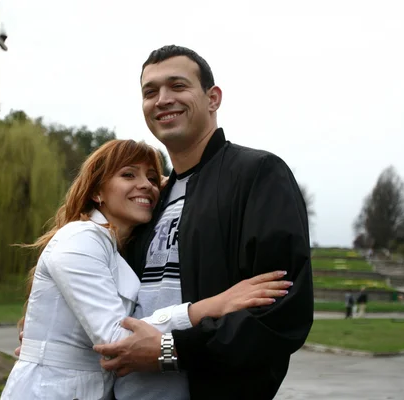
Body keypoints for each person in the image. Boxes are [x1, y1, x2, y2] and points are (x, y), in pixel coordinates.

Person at [91, 45, 314, 400]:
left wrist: (169, 351)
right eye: (150, 91)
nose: (162, 99)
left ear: (213, 98)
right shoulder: (149, 200)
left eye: (177, 86)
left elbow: (281, 317)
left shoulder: (256, 175)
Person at [2, 139, 292, 400]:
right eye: (128, 174)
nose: (146, 185)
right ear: (97, 192)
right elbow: (117, 341)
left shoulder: (118, 247)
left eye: (152, 178)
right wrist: (213, 306)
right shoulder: (82, 238)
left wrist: (180, 180)